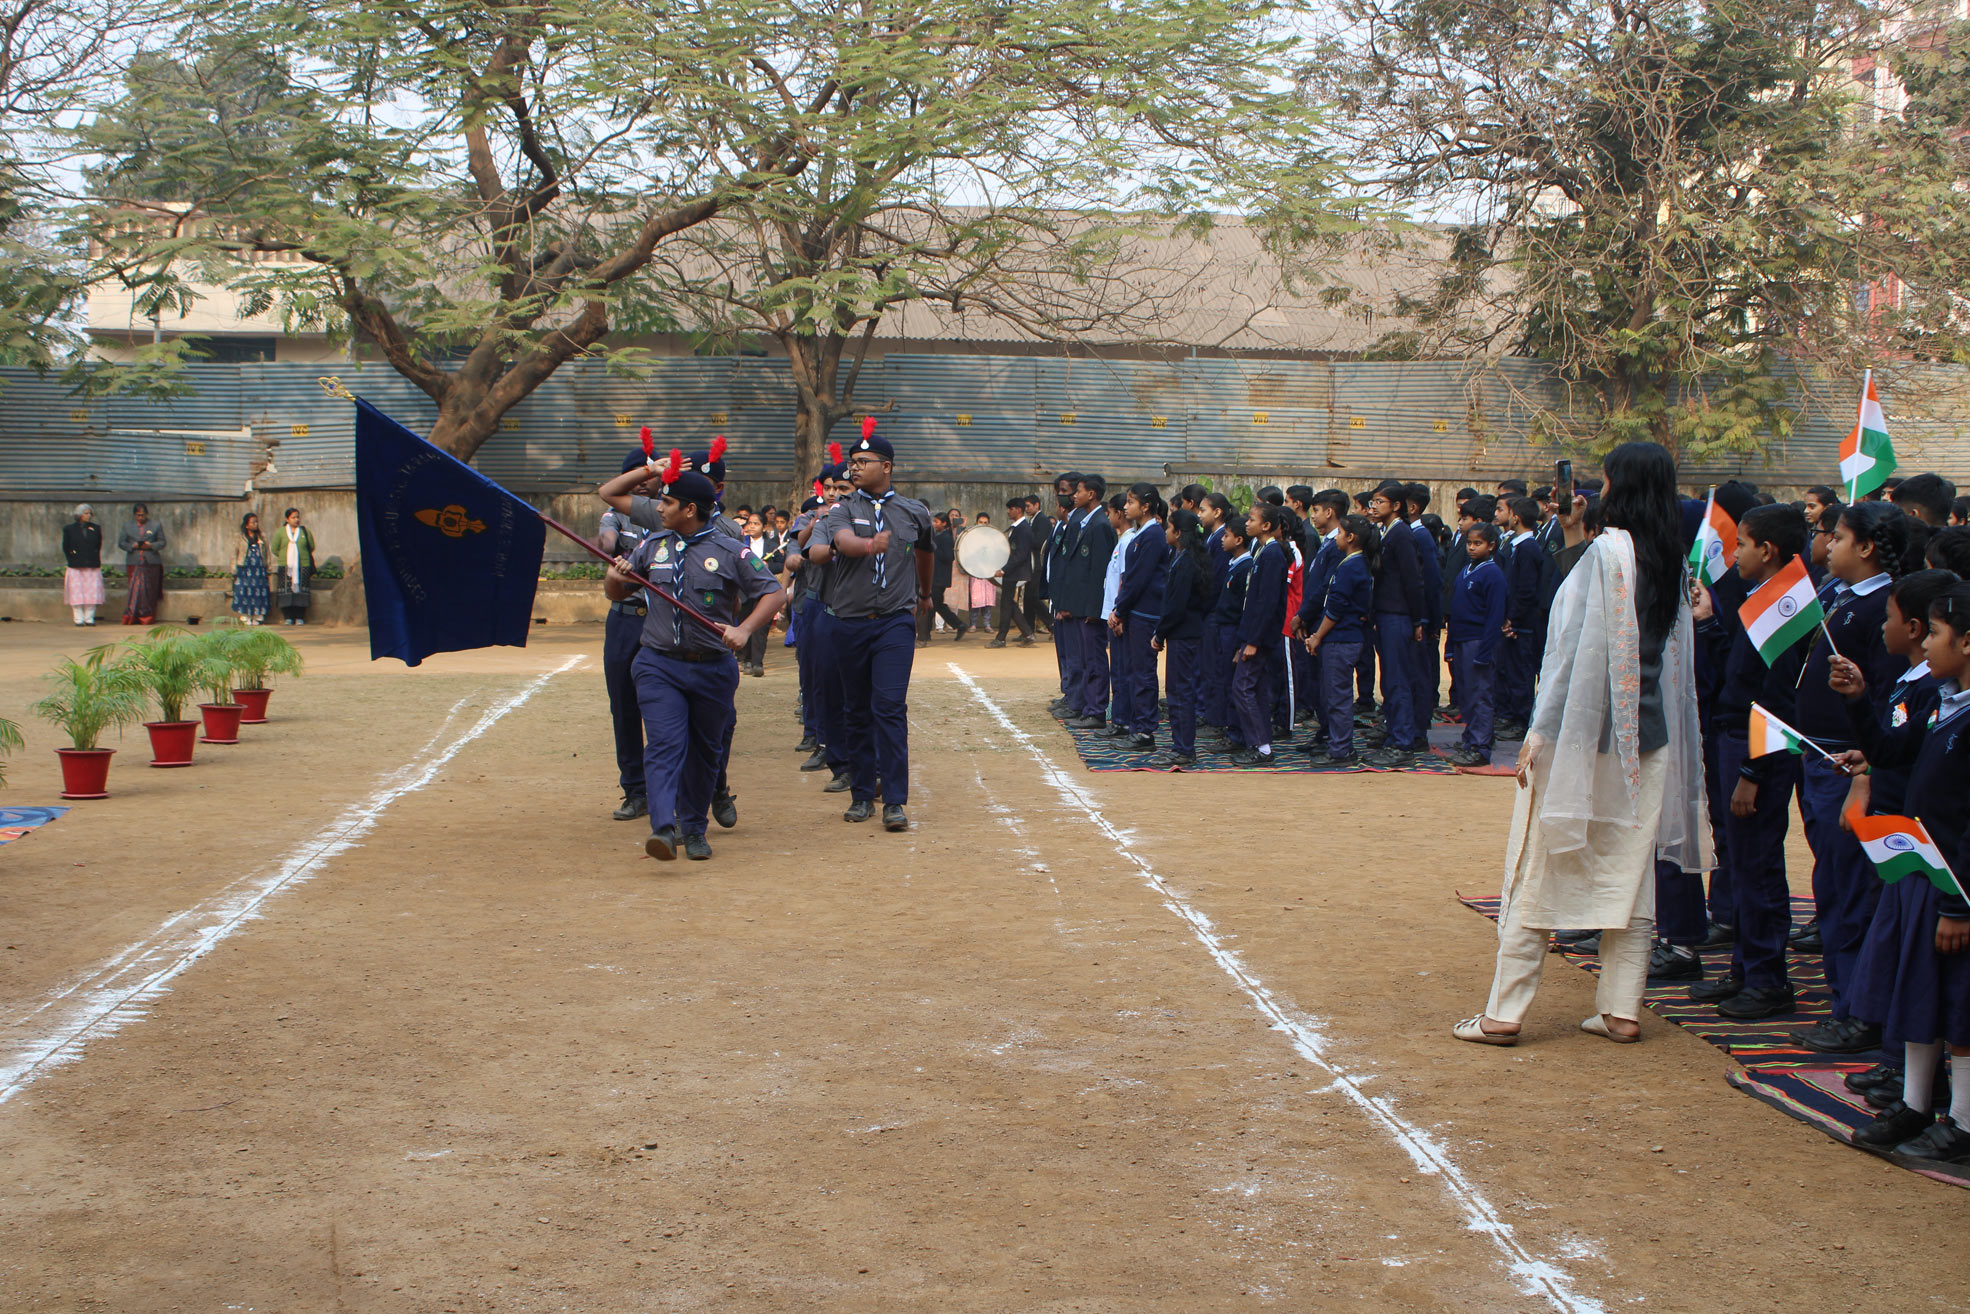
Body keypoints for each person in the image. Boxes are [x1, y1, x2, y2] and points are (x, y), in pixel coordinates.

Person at [1455, 442, 1709, 1046]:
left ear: (1621, 486)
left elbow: (1571, 648)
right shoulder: (1669, 558)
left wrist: (1540, 730)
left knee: (1539, 863)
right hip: (1649, 739)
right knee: (1630, 869)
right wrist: (1574, 533)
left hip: (1583, 735)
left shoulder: (1608, 552)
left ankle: (1504, 1014)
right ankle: (1621, 1009)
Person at [1830, 581, 1970, 1162]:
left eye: (1935, 633)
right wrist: (1859, 699)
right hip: (1923, 873)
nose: (1927, 644)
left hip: (1957, 886)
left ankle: (1963, 1121)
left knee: (1960, 1003)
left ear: (1967, 642)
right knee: (1920, 993)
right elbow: (1889, 753)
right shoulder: (1941, 701)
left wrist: (1959, 904)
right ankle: (1915, 1105)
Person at [603, 459, 784, 862]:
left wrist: (744, 630)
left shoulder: (731, 550)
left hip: (711, 667)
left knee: (705, 751)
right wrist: (616, 577)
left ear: (689, 509)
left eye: (667, 502)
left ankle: (695, 828)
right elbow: (616, 594)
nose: (659, 508)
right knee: (665, 744)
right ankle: (663, 828)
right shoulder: (652, 546)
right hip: (658, 664)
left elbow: (773, 593)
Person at [1687, 504, 1818, 1020]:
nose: (1733, 552)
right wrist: (1708, 625)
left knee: (1758, 863)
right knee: (1739, 860)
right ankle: (1745, 967)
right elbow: (1737, 675)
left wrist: (1752, 772)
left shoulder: (1787, 605)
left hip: (1755, 746)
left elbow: (1777, 700)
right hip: (1732, 734)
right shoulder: (1758, 596)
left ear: (1767, 550)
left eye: (1740, 543)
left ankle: (1768, 978)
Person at [805, 422, 936, 833]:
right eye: (852, 462)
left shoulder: (914, 512)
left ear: (887, 466)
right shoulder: (842, 509)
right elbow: (842, 542)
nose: (855, 468)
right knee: (856, 708)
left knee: (890, 707)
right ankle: (862, 794)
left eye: (863, 461)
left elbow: (925, 552)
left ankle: (894, 801)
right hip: (850, 623)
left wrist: (925, 593)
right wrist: (867, 546)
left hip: (895, 622)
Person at [598, 450, 658, 821]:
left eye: (649, 474)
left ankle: (666, 786)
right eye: (636, 475)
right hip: (625, 620)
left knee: (663, 707)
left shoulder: (669, 513)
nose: (644, 481)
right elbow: (606, 541)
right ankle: (635, 790)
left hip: (660, 622)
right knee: (624, 706)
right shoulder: (616, 515)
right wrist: (607, 547)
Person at [1304, 515, 1375, 764]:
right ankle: (1338, 744)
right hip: (1342, 637)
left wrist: (1317, 636)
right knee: (1334, 695)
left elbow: (1335, 608)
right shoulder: (1351, 563)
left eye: (1341, 533)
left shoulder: (1351, 566)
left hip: (1341, 638)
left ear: (1351, 537)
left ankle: (1341, 749)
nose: (1337, 538)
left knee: (1338, 698)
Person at [1363, 481, 1425, 766]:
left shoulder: (1401, 535)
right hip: (1386, 615)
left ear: (1397, 506)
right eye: (1373, 502)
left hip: (1398, 615)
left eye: (1380, 502)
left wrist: (1417, 619)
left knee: (1398, 680)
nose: (1374, 507)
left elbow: (1414, 580)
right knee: (1389, 679)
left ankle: (1402, 742)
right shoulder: (1386, 532)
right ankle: (1393, 734)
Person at [1229, 503, 1292, 766]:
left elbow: (1267, 603)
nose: (1247, 523)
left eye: (1252, 520)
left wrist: (1254, 641)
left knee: (1242, 688)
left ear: (1266, 525)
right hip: (1252, 634)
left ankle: (1262, 748)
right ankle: (1259, 743)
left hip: (1261, 637)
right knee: (1253, 689)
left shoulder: (1273, 554)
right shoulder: (1262, 551)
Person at [1149, 510, 1212, 768]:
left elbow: (1176, 605)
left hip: (1183, 634)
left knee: (1180, 691)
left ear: (1178, 533)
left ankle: (1184, 748)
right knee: (1178, 689)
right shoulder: (1183, 557)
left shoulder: (1186, 563)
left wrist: (1160, 633)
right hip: (1184, 632)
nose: (1166, 532)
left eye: (1169, 528)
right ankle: (1181, 745)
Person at [1442, 523, 1507, 768]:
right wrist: (1450, 644)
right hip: (1461, 639)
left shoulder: (1493, 574)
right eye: (1469, 543)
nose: (1471, 547)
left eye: (1477, 543)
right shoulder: (1465, 570)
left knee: (1481, 694)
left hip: (1478, 641)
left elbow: (1495, 616)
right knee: (1467, 695)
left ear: (1491, 546)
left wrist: (1485, 650)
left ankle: (1481, 747)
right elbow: (1456, 611)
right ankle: (1470, 739)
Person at [1057, 475, 1118, 731]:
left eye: (1079, 491)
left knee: (1094, 659)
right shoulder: (1085, 522)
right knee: (1083, 658)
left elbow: (1100, 571)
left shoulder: (1101, 525)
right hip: (1079, 605)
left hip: (1091, 607)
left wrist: (1095, 608)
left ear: (1091, 494)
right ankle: (1084, 705)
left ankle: (1096, 710)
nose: (1074, 496)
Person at [1110, 483, 1168, 751]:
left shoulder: (1153, 535)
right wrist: (1121, 609)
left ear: (1145, 507)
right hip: (1135, 612)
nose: (1125, 507)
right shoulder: (1140, 534)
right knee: (1133, 671)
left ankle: (1145, 731)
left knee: (1143, 672)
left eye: (1131, 502)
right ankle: (1136, 725)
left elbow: (1139, 579)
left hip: (1145, 613)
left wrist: (1120, 610)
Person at [988, 496, 1037, 647]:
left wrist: (1003, 570)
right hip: (1014, 570)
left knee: (1006, 604)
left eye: (1011, 509)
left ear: (1019, 510)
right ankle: (1027, 634)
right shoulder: (1017, 528)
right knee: (1008, 603)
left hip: (1015, 571)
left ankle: (1001, 638)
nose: (1008, 512)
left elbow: (1020, 555)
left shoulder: (1023, 529)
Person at [918, 512, 966, 645]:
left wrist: (934, 547)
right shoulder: (939, 537)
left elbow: (949, 557)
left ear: (944, 523)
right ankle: (958, 625)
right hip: (936, 577)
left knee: (932, 605)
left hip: (939, 578)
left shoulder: (945, 538)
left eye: (937, 522)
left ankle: (924, 635)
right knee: (936, 605)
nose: (934, 524)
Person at [118, 503, 166, 625]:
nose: (141, 517)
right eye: (138, 515)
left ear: (147, 514)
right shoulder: (127, 526)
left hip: (151, 561)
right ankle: (132, 616)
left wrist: (151, 545)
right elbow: (121, 543)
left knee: (150, 590)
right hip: (134, 561)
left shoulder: (155, 525)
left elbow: (162, 542)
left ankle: (147, 617)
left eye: (143, 515)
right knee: (134, 590)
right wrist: (132, 546)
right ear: (134, 515)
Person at [60, 505, 105, 627]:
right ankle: (78, 619)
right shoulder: (69, 529)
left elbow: (98, 545)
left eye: (90, 513)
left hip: (92, 565)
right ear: (79, 515)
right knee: (77, 592)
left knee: (92, 592)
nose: (88, 516)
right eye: (86, 513)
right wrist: (72, 558)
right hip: (76, 565)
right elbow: (66, 546)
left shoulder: (95, 528)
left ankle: (89, 618)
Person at [273, 507, 315, 625]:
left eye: (298, 517)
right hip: (286, 566)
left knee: (301, 590)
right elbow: (274, 549)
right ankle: (288, 617)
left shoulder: (305, 531)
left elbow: (311, 546)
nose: (296, 520)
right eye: (293, 517)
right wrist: (286, 557)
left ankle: (300, 617)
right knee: (286, 591)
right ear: (287, 519)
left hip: (303, 565)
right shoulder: (280, 532)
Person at [231, 512, 271, 626]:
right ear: (247, 525)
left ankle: (257, 616)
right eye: (253, 522)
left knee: (259, 590)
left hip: (259, 568)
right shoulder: (240, 537)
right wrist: (233, 568)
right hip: (245, 567)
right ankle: (246, 615)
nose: (255, 524)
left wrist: (268, 565)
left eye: (256, 522)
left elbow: (267, 552)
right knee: (244, 590)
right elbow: (234, 553)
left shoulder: (262, 537)